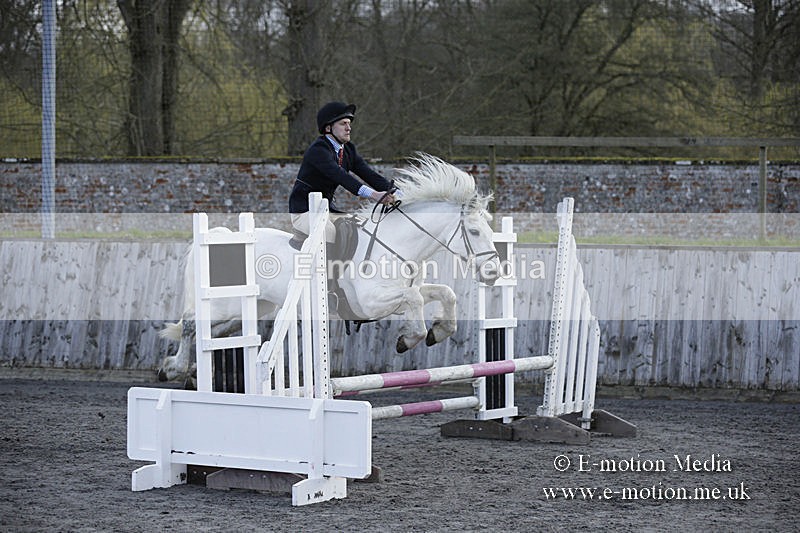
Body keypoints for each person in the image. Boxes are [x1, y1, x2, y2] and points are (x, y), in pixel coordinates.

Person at [289, 101, 396, 243]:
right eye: (343, 124)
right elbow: (342, 177)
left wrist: (398, 193)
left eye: (349, 123)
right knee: (330, 234)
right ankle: (328, 266)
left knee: (361, 229)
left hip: (327, 210)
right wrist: (375, 195)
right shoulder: (318, 150)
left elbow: (369, 174)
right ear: (328, 128)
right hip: (303, 211)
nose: (349, 128)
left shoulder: (348, 150)